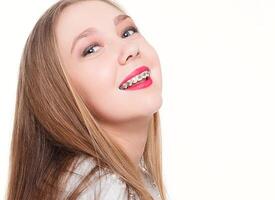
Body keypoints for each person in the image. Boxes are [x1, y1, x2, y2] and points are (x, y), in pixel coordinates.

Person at [6, 0, 166, 199]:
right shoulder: (104, 189)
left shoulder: (109, 183)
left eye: (128, 32)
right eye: (91, 49)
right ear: (58, 95)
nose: (130, 50)